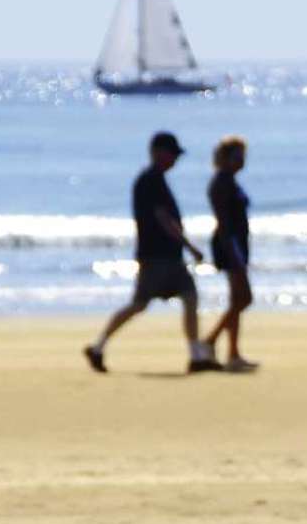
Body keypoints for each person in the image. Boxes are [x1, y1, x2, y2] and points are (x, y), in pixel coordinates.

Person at [85, 132, 215, 373]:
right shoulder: (150, 180)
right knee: (140, 304)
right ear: (158, 152)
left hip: (168, 256)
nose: (174, 159)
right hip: (156, 256)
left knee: (189, 296)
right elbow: (163, 218)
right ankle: (98, 347)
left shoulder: (156, 179)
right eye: (172, 154)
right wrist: (189, 246)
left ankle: (196, 355)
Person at [202, 136, 259, 371]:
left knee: (237, 299)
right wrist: (234, 252)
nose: (241, 161)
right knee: (244, 298)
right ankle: (211, 340)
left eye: (243, 156)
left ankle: (233, 352)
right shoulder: (221, 183)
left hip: (237, 243)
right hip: (229, 244)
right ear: (225, 158)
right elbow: (224, 223)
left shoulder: (230, 181)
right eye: (237, 156)